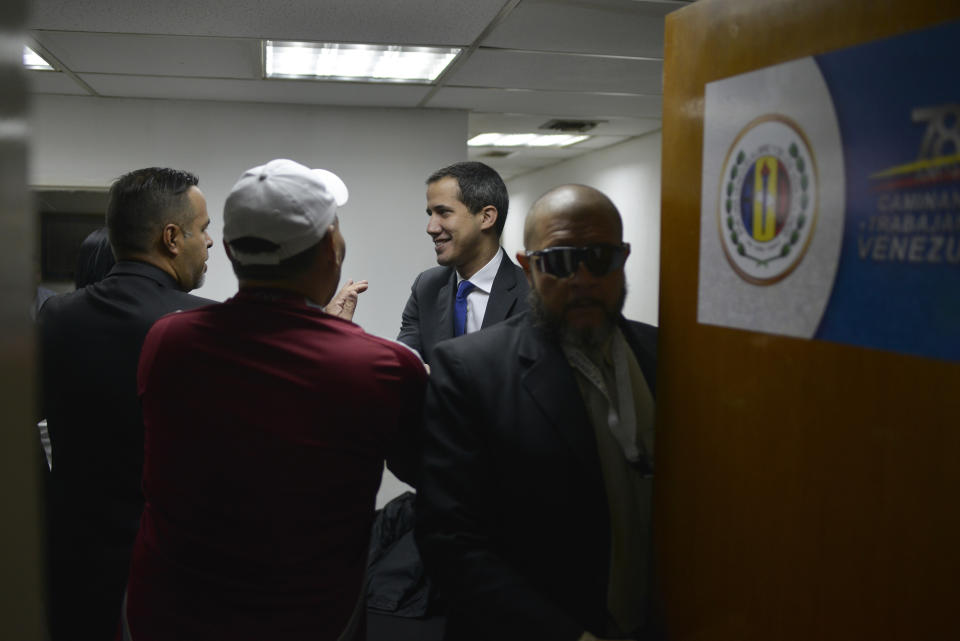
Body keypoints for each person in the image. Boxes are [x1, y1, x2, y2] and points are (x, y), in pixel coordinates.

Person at [122, 159, 427, 641]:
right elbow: (425, 470)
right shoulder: (381, 367)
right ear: (332, 247)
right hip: (309, 622)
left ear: (226, 248)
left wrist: (329, 337)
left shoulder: (167, 341)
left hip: (167, 614)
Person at [416, 185, 660, 641]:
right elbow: (451, 542)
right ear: (528, 268)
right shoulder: (471, 370)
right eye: (561, 261)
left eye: (599, 258)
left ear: (623, 259)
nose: (582, 278)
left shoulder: (664, 355)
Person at [38, 167, 215, 640]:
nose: (210, 243)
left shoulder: (55, 317)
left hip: (75, 562)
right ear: (172, 238)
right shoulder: (206, 327)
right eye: (204, 230)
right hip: (171, 566)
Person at [397, 161, 528, 364]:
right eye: (430, 214)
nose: (431, 227)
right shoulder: (426, 287)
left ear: (486, 217)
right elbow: (403, 363)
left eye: (443, 213)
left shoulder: (532, 293)